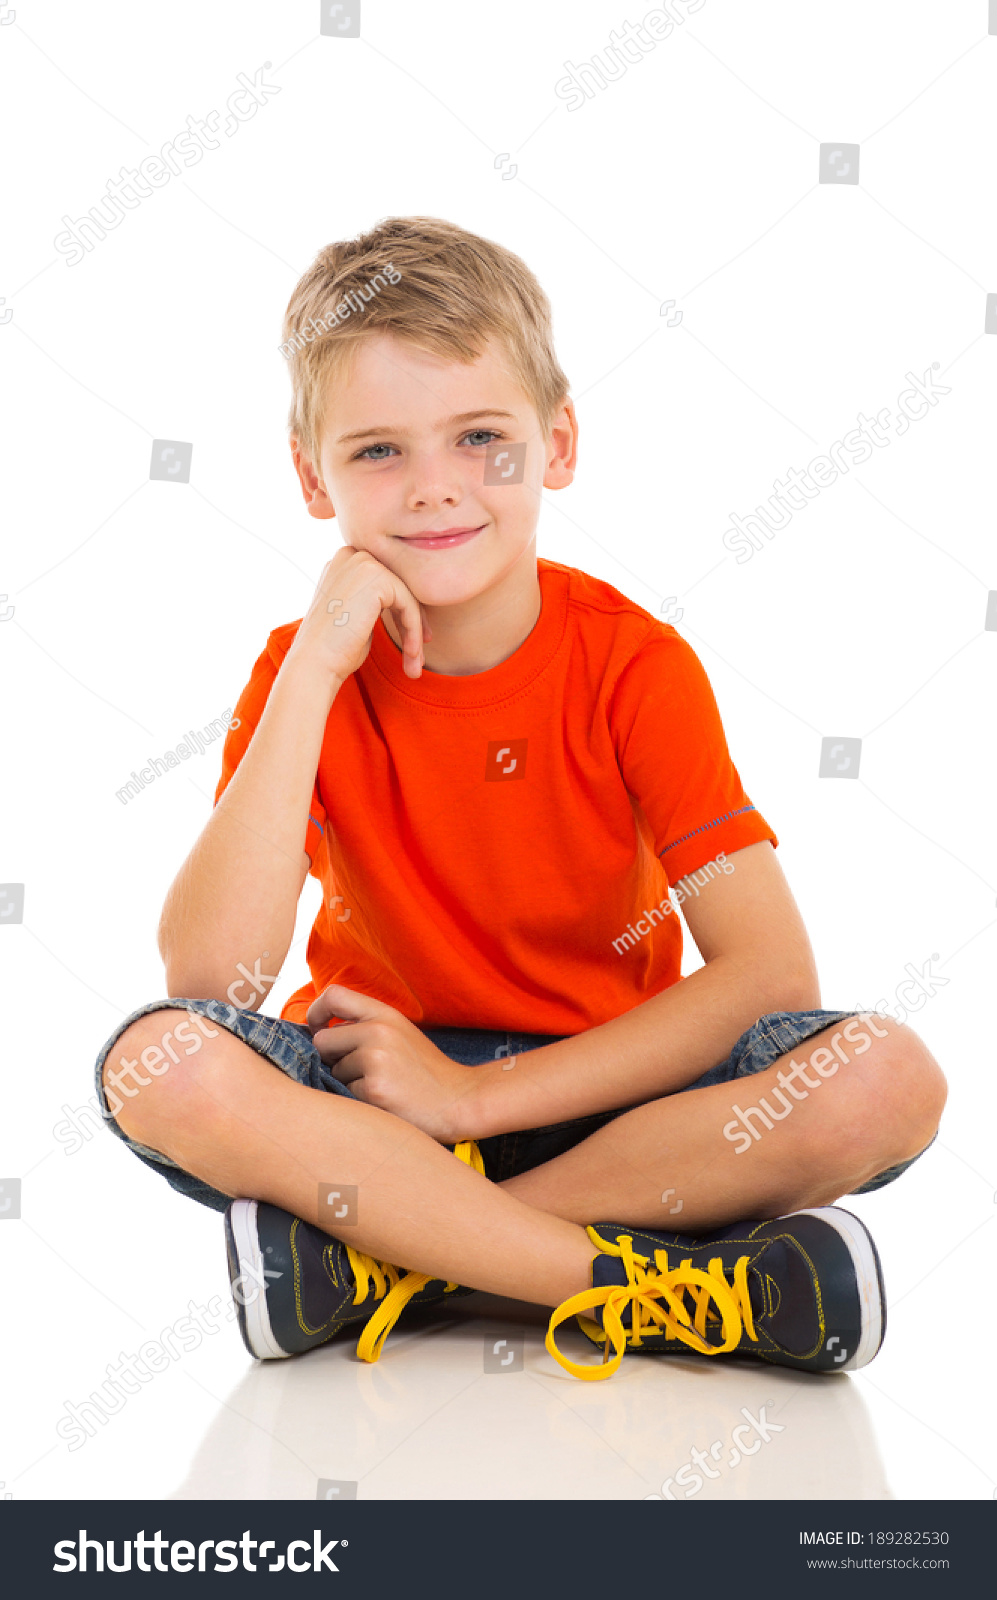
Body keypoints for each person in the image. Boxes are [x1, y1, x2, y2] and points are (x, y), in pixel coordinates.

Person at [93, 217, 946, 1382]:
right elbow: (210, 980)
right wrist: (312, 670)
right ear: (310, 476)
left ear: (557, 443)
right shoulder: (303, 672)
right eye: (377, 452)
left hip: (615, 1098)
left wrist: (476, 1098)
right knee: (155, 1063)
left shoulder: (632, 667)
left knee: (886, 1077)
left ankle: (392, 1255)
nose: (436, 489)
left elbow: (766, 975)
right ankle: (646, 1286)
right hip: (376, 1108)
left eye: (480, 438)